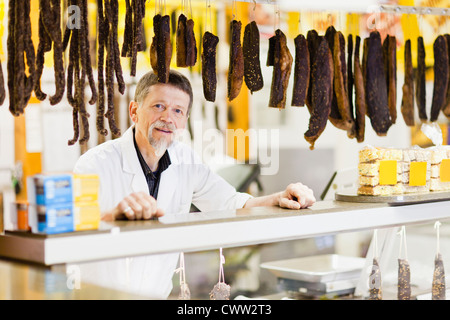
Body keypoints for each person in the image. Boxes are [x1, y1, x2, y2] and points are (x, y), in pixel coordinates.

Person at [73, 70, 316, 299]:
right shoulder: (95, 164)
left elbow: (232, 203)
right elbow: (70, 226)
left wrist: (278, 198)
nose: (168, 118)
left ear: (184, 120)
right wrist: (113, 216)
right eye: (159, 106)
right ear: (134, 111)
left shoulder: (186, 159)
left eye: (178, 111)